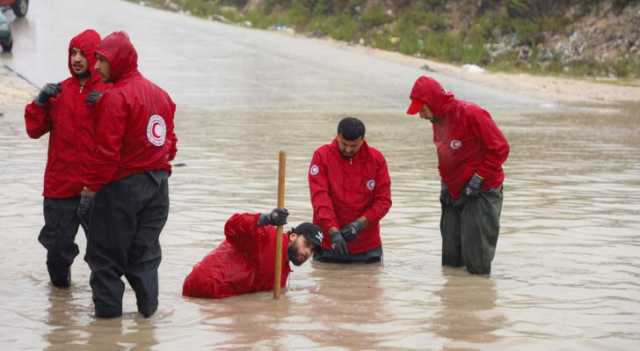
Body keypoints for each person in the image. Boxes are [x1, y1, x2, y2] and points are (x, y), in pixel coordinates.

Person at [82, 31, 177, 318]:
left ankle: (106, 333)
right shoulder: (162, 95)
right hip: (159, 189)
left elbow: (106, 154)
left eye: (101, 60)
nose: (96, 67)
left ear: (119, 60)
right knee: (145, 257)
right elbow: (170, 146)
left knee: (105, 260)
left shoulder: (115, 98)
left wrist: (90, 191)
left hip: (122, 189)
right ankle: (147, 325)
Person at [24, 29, 109, 288]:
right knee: (57, 251)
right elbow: (34, 131)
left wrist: (107, 104)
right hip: (60, 187)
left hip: (97, 189)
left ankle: (104, 309)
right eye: (73, 52)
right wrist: (39, 102)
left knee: (103, 252)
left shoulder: (110, 92)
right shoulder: (58, 93)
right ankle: (60, 308)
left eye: (84, 53)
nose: (77, 59)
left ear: (96, 57)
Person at [406, 75, 509, 275]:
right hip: (453, 191)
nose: (421, 116)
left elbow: (501, 149)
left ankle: (478, 300)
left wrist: (478, 178)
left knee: (476, 263)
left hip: (482, 192)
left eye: (423, 110)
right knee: (451, 261)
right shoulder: (437, 119)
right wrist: (446, 184)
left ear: (433, 102)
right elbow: (448, 156)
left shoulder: (472, 113)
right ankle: (453, 302)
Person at [182, 209, 323, 299]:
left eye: (312, 250)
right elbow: (231, 227)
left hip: (221, 298)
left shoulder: (283, 273)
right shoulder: (268, 235)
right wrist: (265, 219)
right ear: (293, 236)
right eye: (307, 244)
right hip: (204, 286)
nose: (307, 252)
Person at [308, 117, 392, 263]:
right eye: (344, 144)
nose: (348, 149)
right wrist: (333, 230)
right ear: (338, 136)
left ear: (362, 140)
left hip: (367, 247)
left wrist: (359, 224)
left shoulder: (377, 159)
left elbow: (383, 201)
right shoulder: (321, 156)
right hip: (329, 243)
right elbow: (320, 198)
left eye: (353, 146)